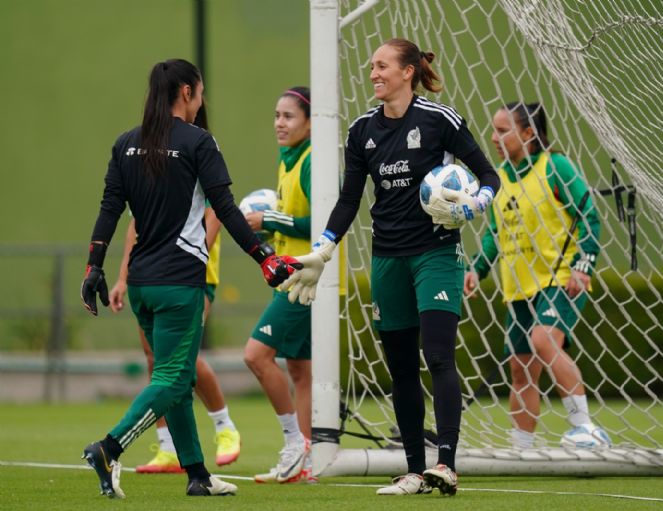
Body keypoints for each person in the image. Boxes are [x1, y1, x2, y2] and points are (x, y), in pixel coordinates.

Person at [280, 39, 500, 496]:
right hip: (387, 258)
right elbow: (348, 200)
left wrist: (474, 204)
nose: (373, 73)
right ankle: (415, 472)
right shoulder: (362, 131)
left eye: (382, 66)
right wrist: (323, 249)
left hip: (436, 254)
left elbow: (489, 176)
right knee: (400, 368)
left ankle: (448, 465)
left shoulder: (441, 120)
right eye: (372, 67)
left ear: (407, 72)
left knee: (438, 355)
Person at [78, 58, 300, 499]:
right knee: (175, 379)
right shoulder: (199, 142)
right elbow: (227, 208)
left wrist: (94, 268)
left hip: (141, 284)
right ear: (186, 93)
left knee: (174, 380)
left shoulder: (125, 143)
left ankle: (198, 474)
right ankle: (109, 447)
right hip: (180, 284)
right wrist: (264, 257)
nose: (202, 101)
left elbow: (109, 210)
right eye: (200, 92)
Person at [463, 101, 610, 451]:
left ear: (528, 133)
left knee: (544, 341)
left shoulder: (554, 166)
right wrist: (476, 269)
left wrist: (582, 267)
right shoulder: (496, 179)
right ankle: (522, 448)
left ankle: (586, 428)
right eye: (494, 130)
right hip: (518, 290)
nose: (494, 137)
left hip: (559, 279)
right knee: (520, 368)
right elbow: (494, 234)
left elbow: (588, 215)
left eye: (503, 130)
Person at [109, 207, 241, 473]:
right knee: (155, 358)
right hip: (152, 276)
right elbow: (136, 224)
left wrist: (186, 266)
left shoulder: (194, 169)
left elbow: (215, 213)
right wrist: (123, 277)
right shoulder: (146, 169)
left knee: (182, 360)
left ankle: (225, 428)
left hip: (192, 277)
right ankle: (168, 447)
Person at [242, 86, 314, 484]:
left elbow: (321, 222)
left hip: (305, 279)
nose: (279, 124)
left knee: (255, 356)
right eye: (276, 115)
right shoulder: (289, 161)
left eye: (288, 116)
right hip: (288, 276)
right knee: (299, 371)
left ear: (309, 121)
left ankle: (294, 446)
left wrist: (269, 220)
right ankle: (304, 464)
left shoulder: (312, 161)